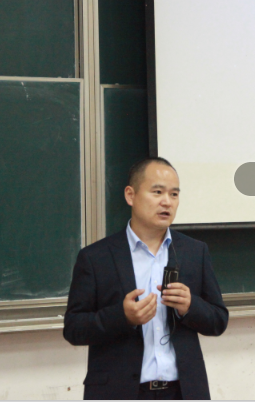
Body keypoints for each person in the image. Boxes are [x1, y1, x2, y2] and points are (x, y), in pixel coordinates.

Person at [63, 157, 229, 400]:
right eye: (157, 192)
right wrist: (122, 317)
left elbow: (218, 320)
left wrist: (190, 306)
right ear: (130, 195)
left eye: (174, 194)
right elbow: (74, 328)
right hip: (119, 393)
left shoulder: (195, 251)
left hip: (182, 392)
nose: (167, 201)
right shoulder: (96, 257)